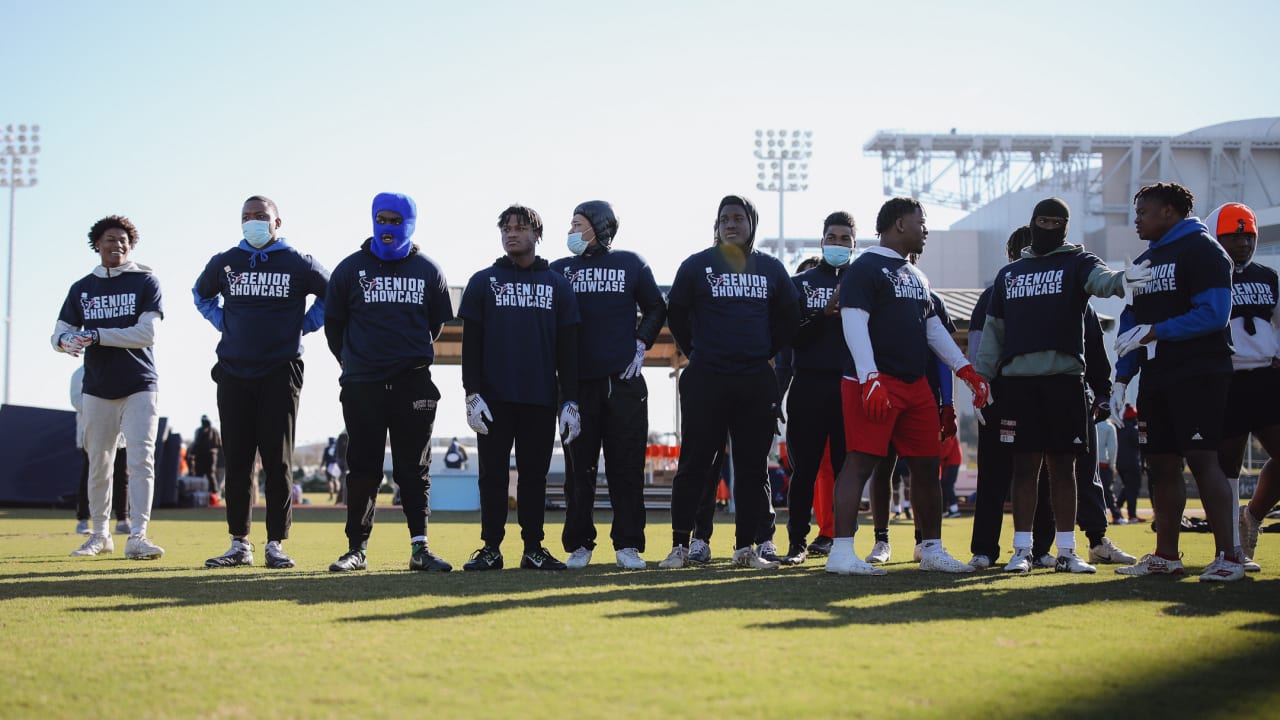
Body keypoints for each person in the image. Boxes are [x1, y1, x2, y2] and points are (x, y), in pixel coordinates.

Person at [975, 197, 1149, 575]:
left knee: (1064, 469)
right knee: (1024, 469)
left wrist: (1122, 281)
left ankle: (1067, 551)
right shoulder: (1010, 275)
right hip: (1019, 384)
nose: (1049, 227)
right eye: (1043, 220)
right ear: (1032, 221)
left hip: (1065, 382)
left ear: (1066, 226)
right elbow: (993, 333)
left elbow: (1101, 281)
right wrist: (981, 380)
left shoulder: (1077, 262)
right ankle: (1022, 550)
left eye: (1057, 222)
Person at [825, 197, 989, 576]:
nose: (926, 229)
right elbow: (853, 322)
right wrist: (869, 377)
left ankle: (931, 548)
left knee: (927, 465)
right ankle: (842, 553)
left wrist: (965, 369)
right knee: (861, 462)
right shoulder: (865, 266)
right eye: (922, 221)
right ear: (899, 224)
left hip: (915, 385)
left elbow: (932, 328)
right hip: (873, 381)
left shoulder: (917, 275)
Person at [657, 195, 799, 570]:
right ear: (716, 225)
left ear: (752, 224)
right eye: (724, 218)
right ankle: (680, 546)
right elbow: (678, 316)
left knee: (752, 468)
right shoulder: (697, 266)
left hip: (754, 378)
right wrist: (701, 352)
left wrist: (762, 350)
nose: (730, 224)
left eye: (738, 218)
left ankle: (745, 548)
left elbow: (789, 317)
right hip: (707, 377)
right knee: (695, 464)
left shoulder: (770, 268)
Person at [1111, 182, 1243, 582]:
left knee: (1204, 460)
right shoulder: (1147, 259)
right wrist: (1121, 380)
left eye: (1144, 212)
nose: (1137, 220)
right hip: (1157, 377)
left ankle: (1230, 557)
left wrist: (1155, 332)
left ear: (1170, 212)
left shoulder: (1204, 251)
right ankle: (1165, 555)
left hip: (1201, 372)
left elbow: (1214, 314)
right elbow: (1131, 324)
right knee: (1160, 465)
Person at [194, 195, 329, 569]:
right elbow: (200, 295)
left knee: (278, 462)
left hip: (280, 371)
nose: (253, 222)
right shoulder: (226, 262)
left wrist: (303, 324)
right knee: (237, 461)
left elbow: (333, 294)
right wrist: (225, 323)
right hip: (233, 371)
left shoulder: (298, 262)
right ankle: (239, 543)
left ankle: (275, 544)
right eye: (246, 216)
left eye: (260, 216)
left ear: (277, 223)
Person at [323, 191, 454, 573]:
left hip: (413, 382)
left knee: (414, 468)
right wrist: (354, 362)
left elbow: (437, 325)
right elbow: (334, 326)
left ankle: (420, 547)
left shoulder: (429, 270)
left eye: (396, 221)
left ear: (410, 222)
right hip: (362, 383)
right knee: (363, 466)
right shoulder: (349, 269)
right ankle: (356, 549)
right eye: (381, 219)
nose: (387, 228)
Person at [459, 204, 580, 571]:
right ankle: (491, 548)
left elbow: (568, 349)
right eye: (506, 228)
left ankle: (533, 548)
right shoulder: (484, 281)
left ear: (537, 235)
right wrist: (471, 393)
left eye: (521, 227)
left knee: (534, 477)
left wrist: (569, 400)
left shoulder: (557, 284)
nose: (512, 233)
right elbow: (472, 344)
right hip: (493, 400)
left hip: (540, 400)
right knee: (492, 476)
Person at [551, 200, 667, 570]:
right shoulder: (559, 269)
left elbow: (656, 307)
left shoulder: (631, 263)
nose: (571, 231)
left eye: (578, 224)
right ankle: (579, 543)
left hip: (624, 382)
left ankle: (628, 544)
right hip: (577, 387)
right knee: (578, 469)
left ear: (600, 228)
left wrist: (641, 341)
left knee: (627, 467)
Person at [54, 214, 164, 559]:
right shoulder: (82, 287)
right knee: (99, 462)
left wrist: (97, 335)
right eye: (110, 239)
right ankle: (100, 534)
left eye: (123, 240)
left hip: (139, 383)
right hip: (97, 386)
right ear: (97, 244)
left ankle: (138, 536)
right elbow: (57, 334)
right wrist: (66, 341)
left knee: (141, 459)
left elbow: (148, 333)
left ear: (131, 246)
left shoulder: (146, 281)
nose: (117, 245)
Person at [776, 214, 854, 564]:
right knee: (805, 470)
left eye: (845, 239)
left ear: (854, 243)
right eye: (832, 237)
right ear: (822, 241)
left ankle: (843, 544)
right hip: (808, 384)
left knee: (845, 469)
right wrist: (823, 314)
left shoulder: (863, 283)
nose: (838, 244)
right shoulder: (800, 283)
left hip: (849, 387)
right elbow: (789, 338)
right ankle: (796, 544)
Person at [1205, 202, 1277, 573]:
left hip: (1266, 376)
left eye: (1248, 235)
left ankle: (1252, 516)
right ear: (1217, 238)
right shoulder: (1207, 274)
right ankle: (1232, 544)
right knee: (1227, 462)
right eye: (1234, 236)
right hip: (1226, 377)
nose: (1243, 242)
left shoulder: (1268, 276)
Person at [1115, 404, 1144, 523]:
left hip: (1120, 463)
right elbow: (1141, 443)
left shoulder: (1119, 428)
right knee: (1133, 489)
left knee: (1127, 487)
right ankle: (1132, 515)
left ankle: (1117, 506)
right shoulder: (1133, 430)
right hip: (1132, 463)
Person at [1095, 412, 1121, 524]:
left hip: (1091, 462)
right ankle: (1116, 516)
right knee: (1107, 491)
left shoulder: (1092, 424)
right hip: (1104, 464)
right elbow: (1112, 448)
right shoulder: (1109, 427)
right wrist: (1112, 464)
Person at [190, 415, 222, 498]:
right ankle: (200, 493)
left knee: (210, 474)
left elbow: (218, 444)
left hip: (210, 456)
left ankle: (214, 494)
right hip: (202, 456)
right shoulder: (200, 431)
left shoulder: (213, 431)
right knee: (201, 475)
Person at [321, 436, 340, 501]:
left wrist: (322, 466)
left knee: (330, 481)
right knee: (336, 480)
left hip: (329, 466)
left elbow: (324, 458)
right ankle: (338, 495)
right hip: (337, 466)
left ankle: (331, 496)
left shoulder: (327, 448)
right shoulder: (337, 448)